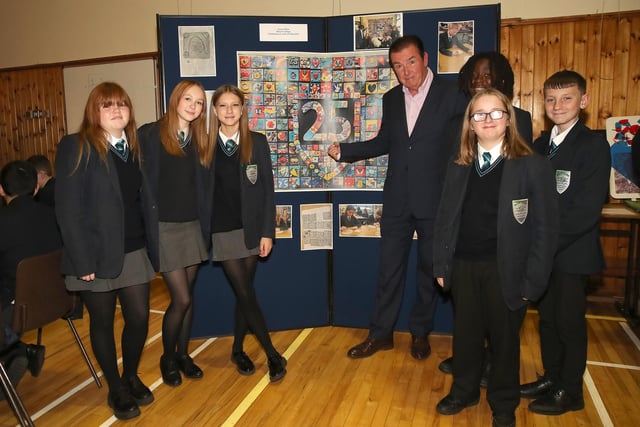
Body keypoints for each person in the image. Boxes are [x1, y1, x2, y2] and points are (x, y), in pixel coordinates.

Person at [328, 35, 467, 360]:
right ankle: (381, 335)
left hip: (436, 201)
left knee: (429, 271)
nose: (405, 71)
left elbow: (462, 146)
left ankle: (420, 334)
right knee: (389, 271)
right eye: (398, 65)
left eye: (411, 62)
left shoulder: (452, 95)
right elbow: (385, 142)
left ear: (426, 59)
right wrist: (345, 151)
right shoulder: (391, 98)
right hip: (397, 200)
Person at [433, 88, 558, 427]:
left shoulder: (531, 166)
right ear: (470, 124)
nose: (487, 120)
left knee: (504, 343)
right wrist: (441, 264)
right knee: (467, 335)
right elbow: (445, 218)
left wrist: (533, 281)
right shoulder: (459, 165)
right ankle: (464, 390)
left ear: (508, 119)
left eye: (495, 113)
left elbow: (545, 232)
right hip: (463, 266)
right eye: (479, 114)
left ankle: (504, 403)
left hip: (507, 271)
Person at [55, 82, 159, 420]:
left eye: (122, 104)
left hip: (133, 249)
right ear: (94, 111)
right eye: (107, 105)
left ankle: (130, 375)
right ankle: (116, 388)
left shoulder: (133, 147)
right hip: (94, 255)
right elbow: (67, 209)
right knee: (102, 322)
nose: (116, 110)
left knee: (139, 318)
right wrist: (82, 259)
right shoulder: (77, 146)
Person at [438, 51, 535, 381]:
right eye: (475, 75)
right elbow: (449, 194)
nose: (481, 80)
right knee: (466, 325)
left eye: (488, 75)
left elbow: (529, 201)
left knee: (504, 331)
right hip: (466, 252)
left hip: (504, 255)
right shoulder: (456, 125)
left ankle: (496, 375)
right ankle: (468, 372)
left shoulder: (521, 123)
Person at [520, 70, 611, 416]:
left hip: (571, 253)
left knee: (568, 321)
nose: (558, 105)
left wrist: (542, 244)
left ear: (584, 101)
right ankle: (551, 377)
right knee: (546, 319)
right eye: (551, 99)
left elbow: (586, 211)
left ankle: (570, 390)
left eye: (567, 98)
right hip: (542, 255)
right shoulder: (540, 146)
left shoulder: (592, 145)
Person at [204, 84, 286, 382]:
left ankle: (238, 349)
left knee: (244, 295)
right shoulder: (206, 145)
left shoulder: (257, 143)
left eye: (234, 106)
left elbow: (267, 191)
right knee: (245, 293)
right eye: (223, 106)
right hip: (223, 231)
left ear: (242, 110)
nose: (229, 111)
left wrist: (268, 232)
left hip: (252, 230)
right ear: (214, 111)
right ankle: (273, 355)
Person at [138, 80, 211, 387]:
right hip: (165, 228)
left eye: (199, 103)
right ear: (176, 99)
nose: (193, 106)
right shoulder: (150, 134)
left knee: (188, 298)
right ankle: (168, 358)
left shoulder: (199, 138)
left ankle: (183, 355)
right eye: (188, 99)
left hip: (193, 226)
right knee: (180, 299)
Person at [0, 160, 62, 398]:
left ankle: (18, 350)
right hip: (56, 303)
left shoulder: (4, 222)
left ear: (2, 190)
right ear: (36, 188)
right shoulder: (54, 216)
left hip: (15, 312)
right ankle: (17, 352)